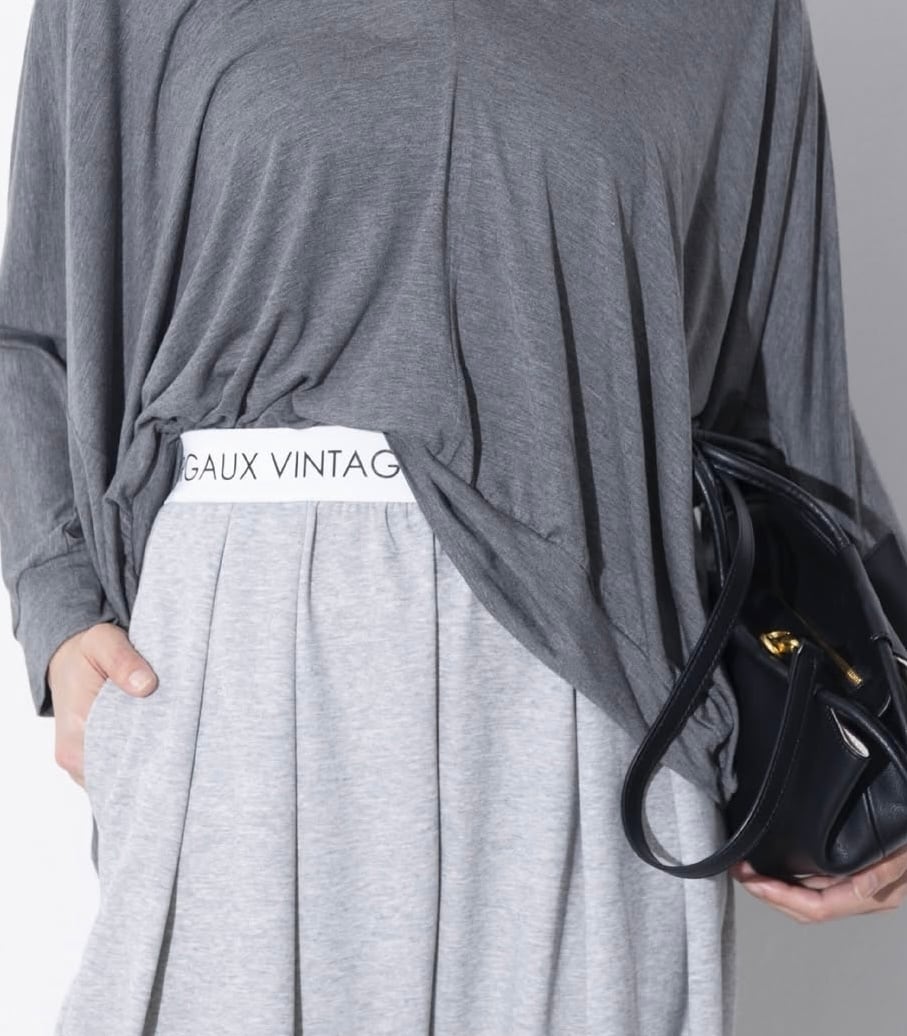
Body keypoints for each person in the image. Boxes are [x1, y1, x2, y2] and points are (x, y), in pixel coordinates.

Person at [1, 0, 906, 1032]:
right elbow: (34, 328)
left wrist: (887, 728)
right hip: (242, 661)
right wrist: (58, 603)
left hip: (596, 678)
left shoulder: (733, 16)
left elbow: (786, 404)